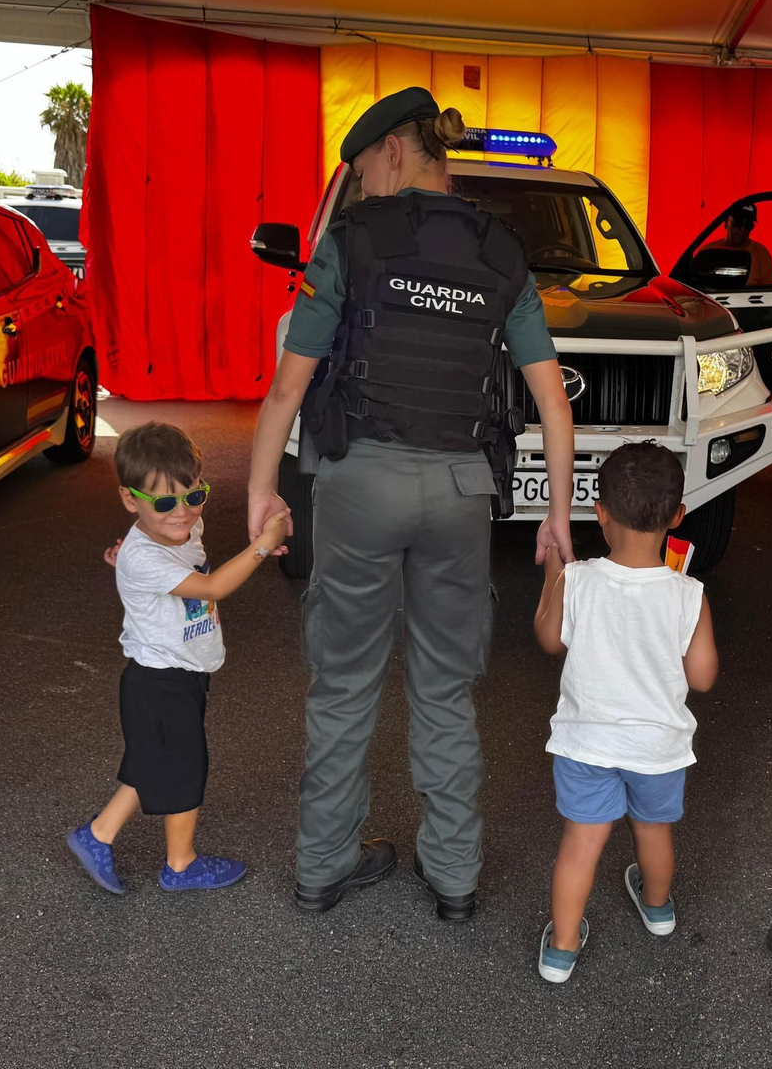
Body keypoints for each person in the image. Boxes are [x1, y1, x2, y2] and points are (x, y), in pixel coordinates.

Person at [246, 87, 577, 921]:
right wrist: (560, 513)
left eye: (362, 170)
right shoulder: (501, 252)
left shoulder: (350, 242)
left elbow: (290, 383)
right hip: (462, 490)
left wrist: (258, 488)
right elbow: (553, 400)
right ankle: (455, 877)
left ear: (393, 152)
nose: (364, 187)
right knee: (444, 688)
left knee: (346, 682)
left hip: (360, 483)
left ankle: (322, 867)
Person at [67, 422, 292, 894]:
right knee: (185, 768)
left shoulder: (182, 527)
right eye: (164, 503)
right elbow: (210, 587)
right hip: (158, 679)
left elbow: (162, 559)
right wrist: (262, 545)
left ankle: (97, 835)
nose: (183, 513)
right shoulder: (144, 555)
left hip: (182, 672)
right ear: (130, 500)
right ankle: (180, 864)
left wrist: (127, 560)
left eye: (194, 496)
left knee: (152, 763)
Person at [531, 441, 718, 982]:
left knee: (582, 843)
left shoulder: (579, 579)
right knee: (653, 830)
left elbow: (549, 640)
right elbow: (702, 677)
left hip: (587, 745)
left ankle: (562, 948)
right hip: (657, 749)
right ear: (678, 517)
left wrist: (552, 576)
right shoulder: (689, 594)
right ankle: (657, 907)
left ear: (601, 514)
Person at [701, 202, 772, 287]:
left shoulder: (761, 253)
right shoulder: (707, 252)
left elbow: (770, 292)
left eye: (748, 225)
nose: (742, 229)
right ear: (726, 223)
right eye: (738, 223)